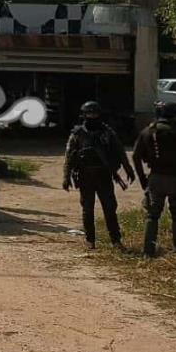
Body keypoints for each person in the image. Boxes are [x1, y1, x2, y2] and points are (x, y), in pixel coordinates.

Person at [62, 101, 136, 250]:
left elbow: (120, 151)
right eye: (89, 114)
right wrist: (66, 176)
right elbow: (69, 155)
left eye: (95, 114)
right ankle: (90, 240)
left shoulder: (108, 133)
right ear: (84, 115)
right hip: (85, 177)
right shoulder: (77, 134)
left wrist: (128, 169)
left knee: (110, 208)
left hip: (104, 176)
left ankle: (116, 240)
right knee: (87, 209)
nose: (92, 117)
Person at [133, 101, 176, 257]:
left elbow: (136, 157)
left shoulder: (148, 132)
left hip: (155, 178)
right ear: (174, 116)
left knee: (152, 215)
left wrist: (143, 179)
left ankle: (148, 252)